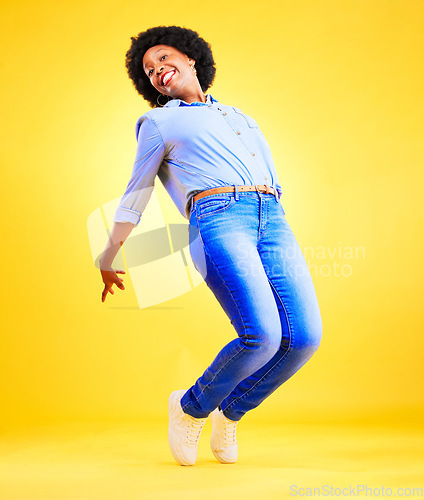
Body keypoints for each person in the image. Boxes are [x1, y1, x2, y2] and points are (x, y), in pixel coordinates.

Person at [99, 25, 323, 467]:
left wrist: (270, 212)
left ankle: (230, 412)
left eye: (163, 59)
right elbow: (136, 191)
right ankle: (190, 407)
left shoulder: (241, 117)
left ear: (191, 59)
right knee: (261, 335)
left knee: (304, 338)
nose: (157, 71)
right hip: (218, 217)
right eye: (148, 70)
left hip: (271, 215)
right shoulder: (158, 122)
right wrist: (109, 253)